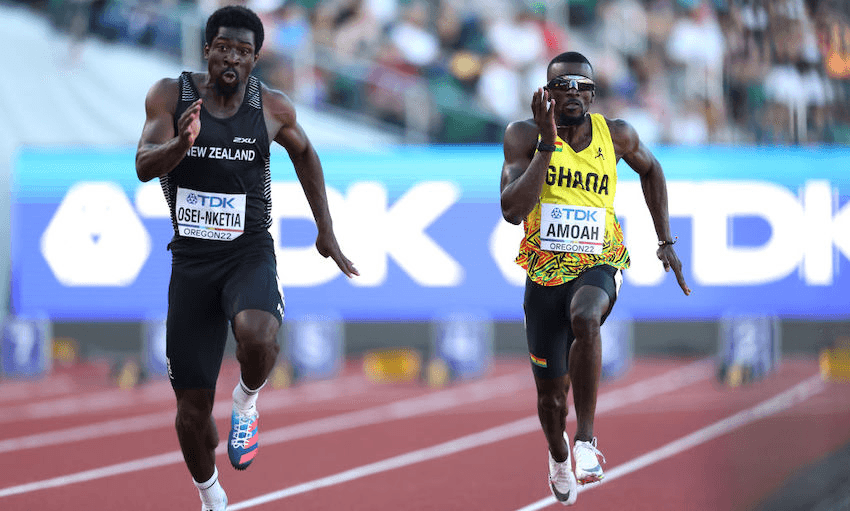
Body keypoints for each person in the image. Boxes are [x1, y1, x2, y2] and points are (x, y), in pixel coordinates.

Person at [135, 5, 358, 510]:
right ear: (206, 50)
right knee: (192, 415)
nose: (230, 58)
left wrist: (326, 230)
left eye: (242, 50)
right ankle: (212, 497)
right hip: (191, 261)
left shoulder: (272, 107)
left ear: (255, 58)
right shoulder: (171, 96)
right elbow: (144, 165)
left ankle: (246, 400)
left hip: (248, 251)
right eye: (222, 48)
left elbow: (305, 153)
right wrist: (179, 145)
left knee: (259, 335)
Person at [499, 51, 690, 506]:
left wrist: (666, 240)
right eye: (560, 87)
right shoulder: (523, 136)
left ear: (592, 94)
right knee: (550, 400)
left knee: (586, 317)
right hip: (544, 269)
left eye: (580, 87)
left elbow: (652, 170)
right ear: (545, 95)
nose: (571, 95)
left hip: (599, 257)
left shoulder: (617, 134)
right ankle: (559, 453)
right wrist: (546, 145)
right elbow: (512, 210)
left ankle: (585, 442)